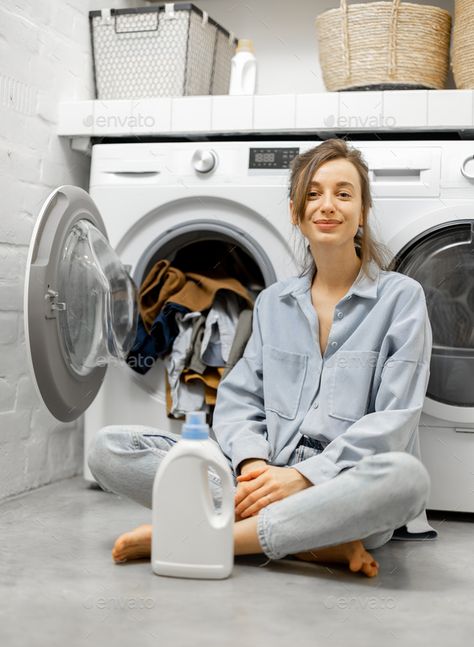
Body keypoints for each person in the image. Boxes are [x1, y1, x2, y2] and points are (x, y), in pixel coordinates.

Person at [88, 138, 432, 577]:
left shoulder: (402, 299)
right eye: (313, 193)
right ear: (295, 212)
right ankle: (313, 542)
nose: (327, 205)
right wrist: (254, 468)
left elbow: (393, 422)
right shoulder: (273, 304)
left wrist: (304, 479)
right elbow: (238, 400)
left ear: (362, 212)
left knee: (406, 480)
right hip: (259, 477)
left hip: (340, 484)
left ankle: (212, 536)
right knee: (108, 448)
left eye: (343, 194)